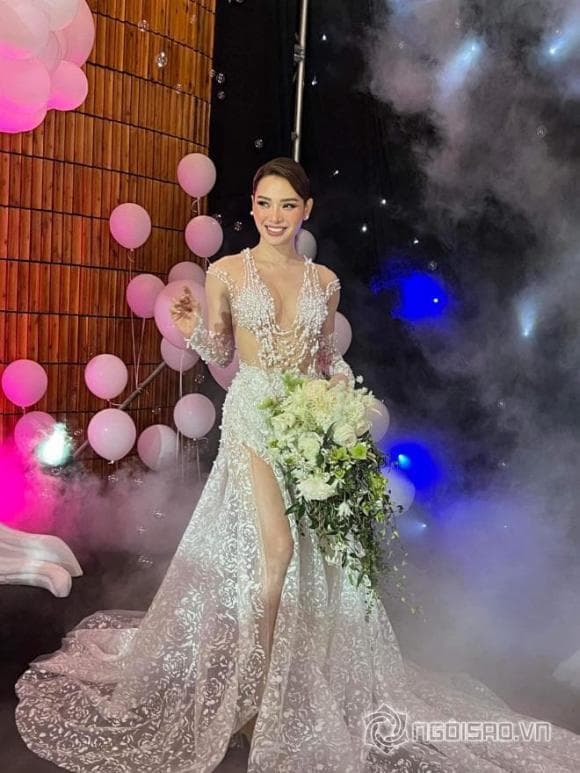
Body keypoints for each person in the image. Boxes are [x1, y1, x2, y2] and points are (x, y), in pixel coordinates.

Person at [14, 157, 580, 772]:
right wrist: (194, 330)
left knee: (310, 555)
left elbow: (321, 359)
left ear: (305, 210)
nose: (274, 216)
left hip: (306, 420)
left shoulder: (325, 282)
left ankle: (282, 679)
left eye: (287, 205)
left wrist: (340, 395)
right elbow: (222, 351)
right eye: (264, 203)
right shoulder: (228, 271)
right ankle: (257, 695)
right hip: (254, 415)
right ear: (252, 207)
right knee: (277, 550)